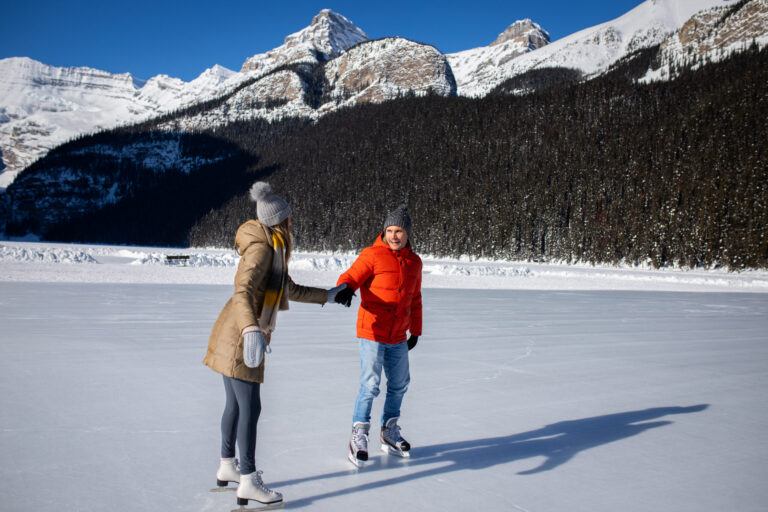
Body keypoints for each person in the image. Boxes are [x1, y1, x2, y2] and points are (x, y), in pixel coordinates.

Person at [203, 181, 347, 506]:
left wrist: (328, 296)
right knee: (250, 408)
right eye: (289, 217)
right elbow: (242, 292)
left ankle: (228, 466)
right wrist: (252, 329)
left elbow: (288, 288)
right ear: (279, 220)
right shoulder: (262, 248)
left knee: (236, 405)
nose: (292, 222)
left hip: (234, 330)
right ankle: (249, 481)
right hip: (242, 334)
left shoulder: (272, 245)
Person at [334, 204, 423, 467]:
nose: (395, 236)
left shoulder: (415, 262)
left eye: (400, 231)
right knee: (370, 385)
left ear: (407, 233)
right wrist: (347, 288)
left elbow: (415, 299)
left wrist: (415, 330)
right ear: (384, 231)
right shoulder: (372, 254)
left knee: (399, 384)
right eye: (390, 230)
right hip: (372, 330)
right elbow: (351, 276)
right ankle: (358, 435)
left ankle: (389, 431)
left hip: (398, 335)